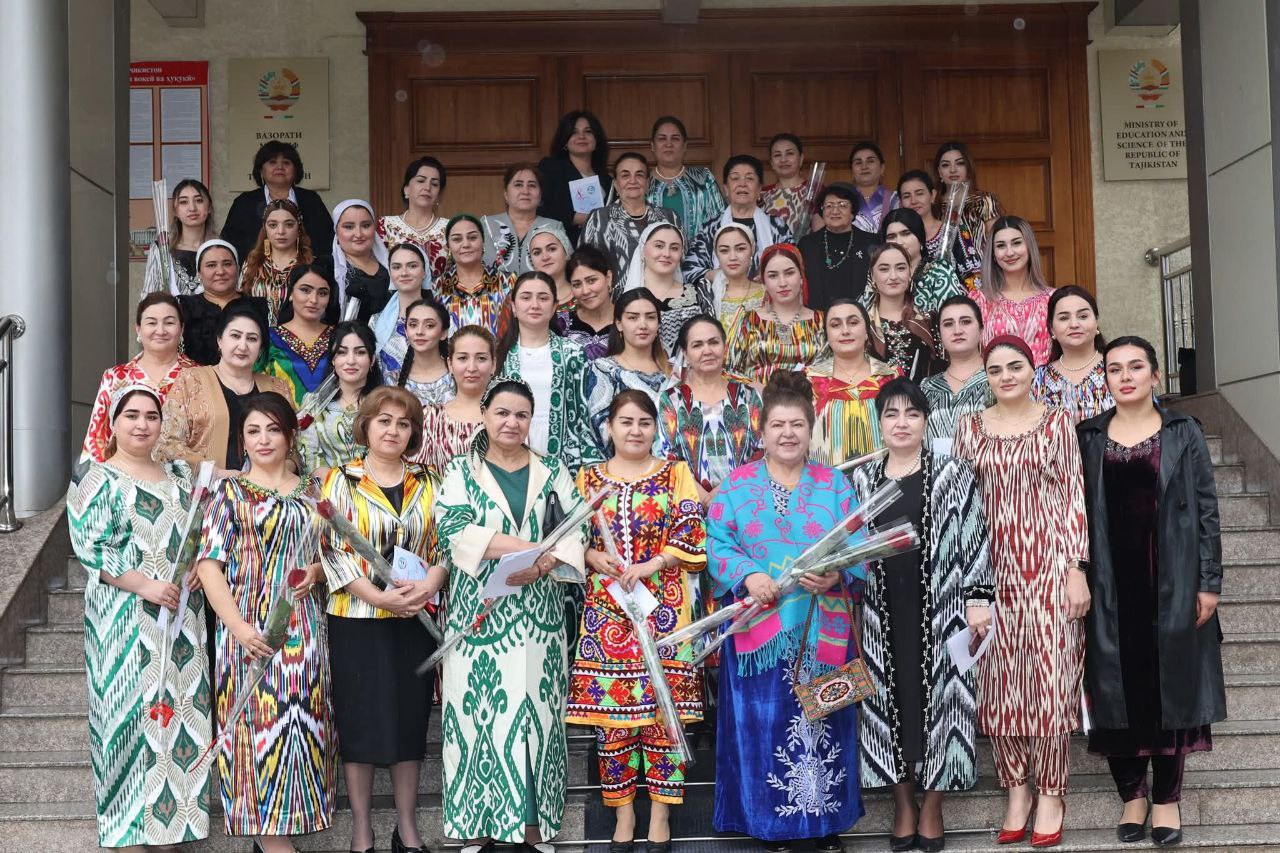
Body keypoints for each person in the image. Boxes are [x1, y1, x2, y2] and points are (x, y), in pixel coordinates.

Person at [706, 370, 866, 850]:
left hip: (822, 629)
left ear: (811, 429)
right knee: (764, 725)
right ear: (762, 431)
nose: (788, 433)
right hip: (760, 630)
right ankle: (769, 824)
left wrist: (838, 574)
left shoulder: (834, 484)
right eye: (778, 425)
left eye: (797, 424)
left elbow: (859, 542)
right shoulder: (736, 486)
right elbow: (718, 542)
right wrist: (747, 575)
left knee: (826, 721)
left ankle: (824, 824)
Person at [1077, 336, 1225, 848]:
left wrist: (1208, 582)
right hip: (1109, 584)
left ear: (1155, 376)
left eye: (1136, 366)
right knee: (1114, 692)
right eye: (1114, 368)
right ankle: (1132, 795)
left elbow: (1206, 510)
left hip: (1172, 579)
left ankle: (1166, 798)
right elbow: (1073, 511)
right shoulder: (1088, 436)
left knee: (1171, 692)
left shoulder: (1184, 431)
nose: (1125, 376)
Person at [432, 378, 589, 852]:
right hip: (480, 614)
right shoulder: (461, 469)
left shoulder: (551, 469)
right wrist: (531, 548)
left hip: (540, 614)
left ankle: (534, 826)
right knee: (478, 716)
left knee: (538, 717)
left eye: (521, 415)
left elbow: (577, 529)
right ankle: (477, 825)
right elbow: (452, 528)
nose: (511, 422)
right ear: (484, 415)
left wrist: (541, 565)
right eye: (502, 412)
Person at [952, 335, 1089, 848]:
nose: (1006, 376)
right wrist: (969, 585)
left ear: (1033, 370)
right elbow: (960, 507)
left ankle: (1051, 792)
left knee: (1051, 682)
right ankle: (1016, 789)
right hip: (989, 573)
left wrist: (1076, 568)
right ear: (985, 377)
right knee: (998, 683)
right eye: (995, 370)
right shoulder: (969, 427)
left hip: (1049, 568)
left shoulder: (1057, 422)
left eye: (1015, 366)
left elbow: (1073, 496)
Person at [849, 377, 993, 852]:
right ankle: (903, 803)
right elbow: (847, 546)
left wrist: (978, 602)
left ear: (926, 421)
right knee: (888, 703)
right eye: (891, 414)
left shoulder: (952, 472)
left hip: (942, 608)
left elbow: (974, 537)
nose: (902, 423)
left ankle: (932, 803)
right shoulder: (862, 479)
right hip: (880, 610)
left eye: (912, 413)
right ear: (879, 422)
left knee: (943, 702)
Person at [67, 385, 211, 848]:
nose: (142, 424)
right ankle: (127, 830)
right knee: (126, 721)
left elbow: (198, 532)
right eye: (131, 415)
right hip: (124, 619)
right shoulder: (95, 477)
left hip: (181, 620)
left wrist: (197, 568)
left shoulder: (179, 476)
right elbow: (90, 546)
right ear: (113, 422)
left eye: (151, 416)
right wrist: (145, 585)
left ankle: (172, 828)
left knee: (179, 718)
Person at [569, 390, 708, 852]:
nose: (635, 430)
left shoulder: (676, 473)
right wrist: (592, 556)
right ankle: (623, 812)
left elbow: (691, 530)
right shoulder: (587, 478)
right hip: (607, 611)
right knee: (613, 721)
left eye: (644, 422)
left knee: (665, 717)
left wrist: (653, 564)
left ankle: (661, 815)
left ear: (656, 428)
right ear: (609, 427)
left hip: (664, 609)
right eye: (626, 421)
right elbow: (570, 538)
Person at [195, 393, 335, 849]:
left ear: (291, 435)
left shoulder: (315, 491)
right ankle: (275, 844)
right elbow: (209, 566)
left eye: (273, 429)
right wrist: (239, 629)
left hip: (305, 632)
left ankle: (281, 835)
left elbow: (336, 556)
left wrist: (316, 572)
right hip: (247, 633)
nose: (263, 439)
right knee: (254, 735)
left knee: (304, 732)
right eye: (253, 431)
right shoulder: (229, 493)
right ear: (241, 440)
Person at [320, 386, 445, 853]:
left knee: (409, 720)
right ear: (366, 426)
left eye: (403, 423)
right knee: (360, 721)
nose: (393, 430)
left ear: (413, 432)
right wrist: (378, 598)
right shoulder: (340, 479)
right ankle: (362, 831)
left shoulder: (430, 481)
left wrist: (429, 586)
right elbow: (332, 550)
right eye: (384, 421)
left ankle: (407, 828)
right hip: (357, 618)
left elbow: (445, 544)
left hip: (414, 616)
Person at [157, 303, 292, 477]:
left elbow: (294, 449)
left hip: (267, 490)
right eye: (235, 336)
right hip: (205, 490)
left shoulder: (277, 388)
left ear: (260, 348)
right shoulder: (191, 380)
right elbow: (166, 445)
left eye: (252, 339)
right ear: (219, 340)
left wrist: (267, 477)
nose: (242, 346)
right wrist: (217, 474)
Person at [496, 271, 601, 473]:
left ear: (554, 307)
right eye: (526, 297)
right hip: (509, 454)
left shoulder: (573, 353)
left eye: (543, 298)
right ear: (514, 307)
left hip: (564, 457)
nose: (535, 305)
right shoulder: (499, 356)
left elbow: (584, 413)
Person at [81, 292, 197, 463]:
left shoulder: (200, 376)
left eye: (169, 322)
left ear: (182, 329)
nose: (160, 330)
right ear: (138, 329)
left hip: (186, 475)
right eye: (151, 322)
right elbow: (97, 440)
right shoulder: (115, 377)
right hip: (124, 476)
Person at [658, 315, 763, 499]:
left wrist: (724, 492)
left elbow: (761, 451)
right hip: (689, 501)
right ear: (685, 353)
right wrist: (703, 498)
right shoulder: (671, 399)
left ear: (725, 348)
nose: (707, 351)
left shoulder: (748, 395)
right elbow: (667, 457)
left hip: (744, 499)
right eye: (697, 345)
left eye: (713, 342)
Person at [807, 299, 899, 466]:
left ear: (867, 331)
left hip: (884, 477)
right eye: (835, 325)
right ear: (827, 335)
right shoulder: (808, 380)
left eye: (853, 323)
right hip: (824, 479)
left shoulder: (892, 377)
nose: (845, 331)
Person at [724, 243, 827, 386]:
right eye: (773, 276)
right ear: (764, 282)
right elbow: (728, 371)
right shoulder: (748, 320)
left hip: (809, 398)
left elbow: (833, 370)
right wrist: (757, 388)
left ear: (801, 276)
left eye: (789, 273)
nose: (782, 283)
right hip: (757, 398)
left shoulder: (822, 321)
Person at [586, 288, 672, 451]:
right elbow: (598, 429)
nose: (643, 325)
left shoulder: (674, 372)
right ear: (619, 323)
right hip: (623, 462)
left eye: (650, 317)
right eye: (633, 317)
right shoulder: (604, 369)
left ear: (659, 323)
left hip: (673, 464)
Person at [683, 154, 792, 282]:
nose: (742, 184)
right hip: (720, 294)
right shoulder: (711, 227)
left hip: (767, 293)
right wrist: (718, 276)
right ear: (726, 189)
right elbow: (689, 270)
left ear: (759, 189)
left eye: (750, 178)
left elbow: (792, 265)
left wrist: (770, 275)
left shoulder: (777, 226)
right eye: (735, 178)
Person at [220, 140, 333, 263]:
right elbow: (230, 243)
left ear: (296, 169)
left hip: (306, 269)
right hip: (256, 270)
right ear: (261, 170)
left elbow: (327, 240)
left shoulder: (311, 200)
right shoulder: (244, 203)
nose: (280, 167)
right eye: (272, 162)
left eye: (286, 162)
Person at [298, 321, 385, 478]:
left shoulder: (385, 404)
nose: (350, 360)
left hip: (378, 486)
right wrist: (340, 486)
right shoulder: (313, 404)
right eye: (342, 352)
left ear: (372, 359)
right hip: (328, 487)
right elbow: (310, 458)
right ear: (333, 360)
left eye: (360, 352)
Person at [580, 151, 680, 283]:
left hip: (662, 293)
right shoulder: (598, 218)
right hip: (615, 295)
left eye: (639, 175)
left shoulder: (669, 217)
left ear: (648, 182)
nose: (633, 181)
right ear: (616, 183)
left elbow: (681, 261)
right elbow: (582, 264)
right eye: (625, 175)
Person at [620, 222, 713, 358]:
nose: (666, 254)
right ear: (643, 249)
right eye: (659, 246)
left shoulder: (699, 293)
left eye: (674, 248)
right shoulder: (625, 298)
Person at [973, 216, 1054, 366]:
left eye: (1016, 243)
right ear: (993, 254)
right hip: (996, 380)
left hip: (1045, 380)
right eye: (1001, 246)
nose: (1009, 252)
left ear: (1029, 247)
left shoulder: (1053, 299)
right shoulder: (978, 300)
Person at [414, 325, 496, 473]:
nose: (472, 367)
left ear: (493, 365)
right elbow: (420, 477)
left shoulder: (509, 417)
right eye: (463, 358)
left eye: (481, 358)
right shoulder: (430, 418)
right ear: (450, 364)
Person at [176, 239, 269, 366]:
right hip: (195, 377)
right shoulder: (183, 307)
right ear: (199, 273)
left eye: (227, 264)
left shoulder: (261, 307)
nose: (220, 272)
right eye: (211, 265)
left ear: (238, 268)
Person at [1032, 285, 1114, 423]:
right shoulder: (1039, 379)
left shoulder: (1116, 369)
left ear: (1096, 322)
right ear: (1051, 329)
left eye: (1083, 316)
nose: (1074, 324)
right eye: (1064, 318)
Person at [920, 294, 992, 452]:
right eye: (948, 324)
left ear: (981, 330)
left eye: (965, 321)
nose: (957, 330)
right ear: (939, 334)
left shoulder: (999, 380)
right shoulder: (926, 388)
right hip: (936, 468)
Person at [263, 263, 338, 405]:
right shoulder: (268, 338)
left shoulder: (340, 337)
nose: (314, 299)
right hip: (280, 416)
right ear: (291, 293)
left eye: (322, 293)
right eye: (305, 290)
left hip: (335, 418)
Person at [897, 170, 982, 292]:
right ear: (900, 203)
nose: (913, 201)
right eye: (906, 196)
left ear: (932, 195)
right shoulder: (896, 237)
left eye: (919, 193)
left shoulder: (953, 231)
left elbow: (974, 278)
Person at [863, 242, 937, 383]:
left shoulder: (929, 319)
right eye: (884, 269)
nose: (893, 276)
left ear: (910, 272)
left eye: (901, 268)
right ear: (872, 275)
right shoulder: (863, 324)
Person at [798, 183, 878, 312]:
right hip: (817, 316)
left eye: (843, 205)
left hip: (861, 315)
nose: (835, 211)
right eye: (829, 206)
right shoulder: (807, 244)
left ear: (853, 212)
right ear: (822, 211)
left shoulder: (872, 242)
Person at [647, 115, 725, 244]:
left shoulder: (703, 178)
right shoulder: (642, 183)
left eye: (675, 139)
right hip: (653, 256)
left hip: (700, 255)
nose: (668, 144)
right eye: (662, 139)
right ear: (653, 146)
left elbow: (721, 221)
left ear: (685, 146)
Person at [538, 110, 613, 243]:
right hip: (563, 247)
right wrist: (575, 218)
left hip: (603, 249)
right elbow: (539, 209)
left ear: (596, 139)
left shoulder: (608, 181)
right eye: (574, 132)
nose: (581, 136)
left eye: (588, 131)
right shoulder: (551, 169)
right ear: (565, 141)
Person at [437, 214, 516, 337]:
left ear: (483, 242)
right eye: (457, 239)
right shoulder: (436, 287)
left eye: (472, 237)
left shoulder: (508, 281)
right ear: (448, 247)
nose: (466, 244)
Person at [239, 198, 315, 326]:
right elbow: (240, 306)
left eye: (289, 224)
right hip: (257, 334)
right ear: (265, 228)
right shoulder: (251, 264)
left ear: (299, 227)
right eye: (273, 225)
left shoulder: (312, 265)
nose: (281, 231)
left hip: (298, 336)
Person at [378, 155, 451, 284]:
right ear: (406, 189)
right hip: (396, 296)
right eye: (421, 181)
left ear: (439, 194)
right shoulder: (386, 225)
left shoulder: (451, 228)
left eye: (434, 184)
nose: (427, 187)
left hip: (441, 296)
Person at [879, 208, 965, 316]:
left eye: (906, 234)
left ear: (920, 238)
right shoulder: (878, 273)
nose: (899, 242)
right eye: (891, 237)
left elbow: (953, 317)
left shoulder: (939, 271)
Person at [481, 164, 561, 276]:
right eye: (518, 185)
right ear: (506, 194)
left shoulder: (554, 227)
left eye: (532, 185)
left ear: (540, 195)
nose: (525, 191)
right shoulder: (485, 225)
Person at [142, 178, 217, 296]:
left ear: (209, 208)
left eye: (199, 200)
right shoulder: (161, 248)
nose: (192, 208)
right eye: (183, 202)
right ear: (175, 211)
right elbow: (148, 296)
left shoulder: (220, 249)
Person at [371, 243, 432, 377]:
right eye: (397, 267)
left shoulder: (442, 319)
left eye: (412, 266)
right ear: (390, 273)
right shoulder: (375, 322)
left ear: (424, 271)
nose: (404, 273)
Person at [934, 140, 1003, 255]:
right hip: (943, 266)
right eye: (945, 165)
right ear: (939, 172)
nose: (953, 170)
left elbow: (998, 239)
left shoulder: (984, 200)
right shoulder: (934, 205)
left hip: (981, 265)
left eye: (960, 163)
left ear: (968, 168)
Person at [330, 199, 393, 325]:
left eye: (366, 225)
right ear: (336, 231)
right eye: (349, 227)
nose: (358, 234)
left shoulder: (393, 266)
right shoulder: (326, 268)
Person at [392, 297, 456, 407]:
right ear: (406, 332)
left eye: (429, 325)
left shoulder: (459, 373)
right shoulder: (394, 380)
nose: (419, 332)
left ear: (444, 333)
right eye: (413, 325)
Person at [700, 223, 766, 327]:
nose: (733, 257)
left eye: (740, 249)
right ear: (717, 255)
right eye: (724, 251)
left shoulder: (768, 293)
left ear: (752, 251)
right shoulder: (707, 296)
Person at [557, 246, 617, 360]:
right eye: (577, 285)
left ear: (608, 278)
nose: (585, 291)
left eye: (591, 280)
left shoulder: (628, 322)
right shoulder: (560, 324)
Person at [759, 132, 822, 239]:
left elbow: (820, 235)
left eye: (789, 153)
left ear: (801, 158)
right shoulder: (761, 194)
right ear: (771, 163)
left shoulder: (815, 190)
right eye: (777, 155)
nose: (783, 159)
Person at [849, 140, 899, 233]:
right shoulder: (843, 201)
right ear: (852, 170)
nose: (864, 167)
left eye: (870, 161)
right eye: (858, 163)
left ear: (882, 168)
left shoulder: (896, 199)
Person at [527, 221, 577, 308]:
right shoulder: (522, 300)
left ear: (566, 252)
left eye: (552, 249)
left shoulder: (584, 295)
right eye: (537, 253)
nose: (545, 257)